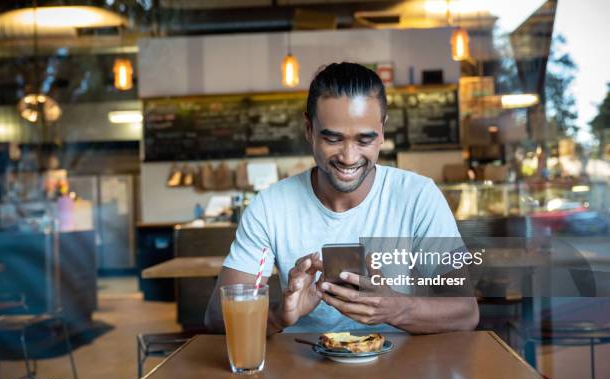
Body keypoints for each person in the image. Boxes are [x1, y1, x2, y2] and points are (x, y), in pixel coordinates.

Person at [205, 62, 479, 334]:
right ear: (309, 130)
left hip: (398, 369)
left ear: (382, 131)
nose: (349, 158)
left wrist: (395, 308)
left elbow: (466, 312)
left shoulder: (418, 196)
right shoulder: (270, 207)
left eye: (364, 140)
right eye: (333, 139)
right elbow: (217, 315)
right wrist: (278, 317)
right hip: (300, 369)